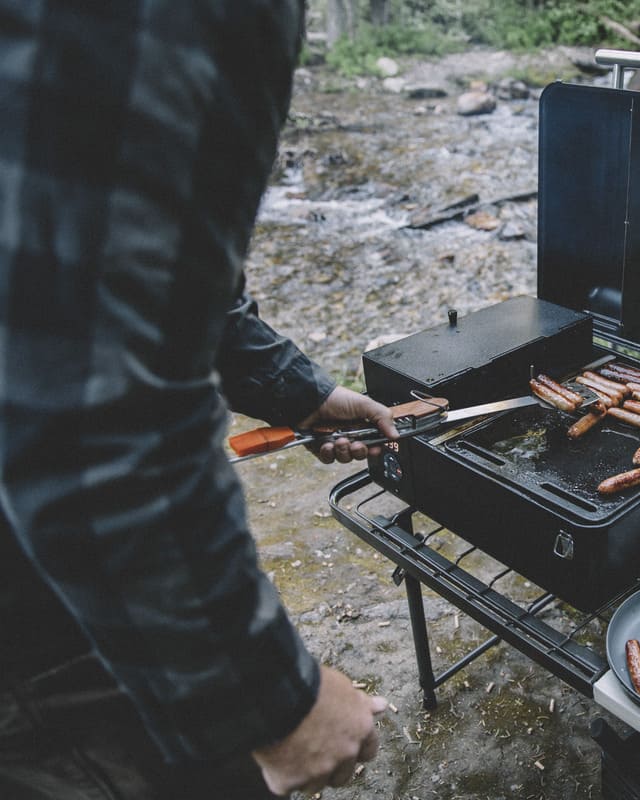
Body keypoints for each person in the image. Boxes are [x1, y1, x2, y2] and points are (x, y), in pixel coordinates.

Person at [0, 1, 400, 796]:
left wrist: (301, 392)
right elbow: (92, 413)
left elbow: (108, 263)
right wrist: (275, 702)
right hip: (38, 623)